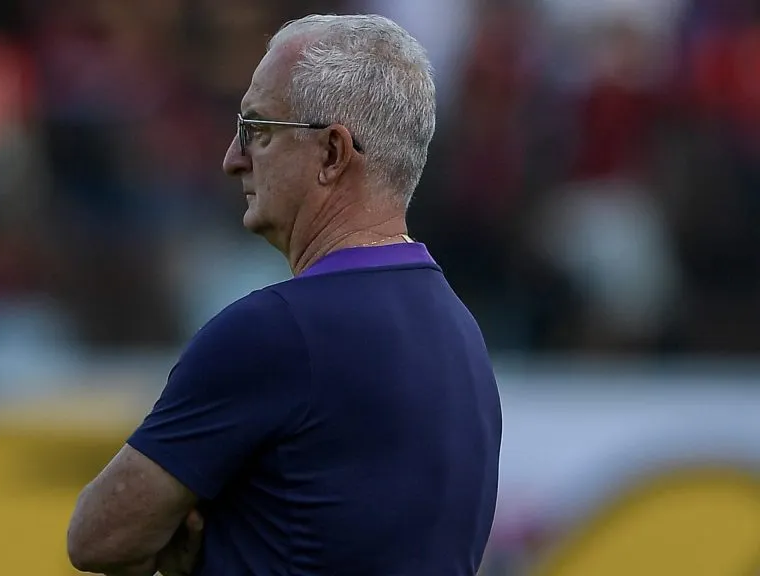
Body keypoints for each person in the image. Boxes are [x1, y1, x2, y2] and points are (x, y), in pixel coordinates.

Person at [67, 13, 502, 576]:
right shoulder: (463, 336)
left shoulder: (275, 332)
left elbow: (97, 537)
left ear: (332, 154)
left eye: (258, 129)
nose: (233, 159)